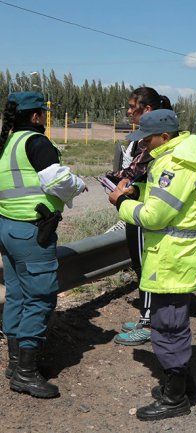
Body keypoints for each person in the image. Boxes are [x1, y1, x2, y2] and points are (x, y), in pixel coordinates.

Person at [108, 109, 196, 421]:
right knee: (171, 323)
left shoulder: (175, 163)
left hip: (174, 257)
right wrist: (140, 190)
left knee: (168, 327)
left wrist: (122, 203)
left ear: (165, 136)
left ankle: (175, 399)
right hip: (179, 255)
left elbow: (156, 216)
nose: (142, 144)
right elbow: (172, 198)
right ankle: (184, 386)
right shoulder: (182, 156)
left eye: (147, 138)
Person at [0, 92, 86, 398]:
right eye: (44, 114)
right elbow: (56, 179)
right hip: (32, 233)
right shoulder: (36, 143)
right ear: (37, 116)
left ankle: (15, 363)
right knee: (40, 298)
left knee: (17, 296)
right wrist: (79, 185)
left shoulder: (7, 143)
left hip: (8, 230)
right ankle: (25, 373)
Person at [111, 87, 171, 346]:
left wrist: (130, 185)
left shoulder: (157, 142)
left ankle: (148, 322)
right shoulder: (143, 140)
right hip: (136, 206)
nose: (128, 112)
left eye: (132, 107)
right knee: (141, 264)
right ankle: (147, 317)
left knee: (147, 266)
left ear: (147, 110)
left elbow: (146, 174)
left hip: (144, 210)